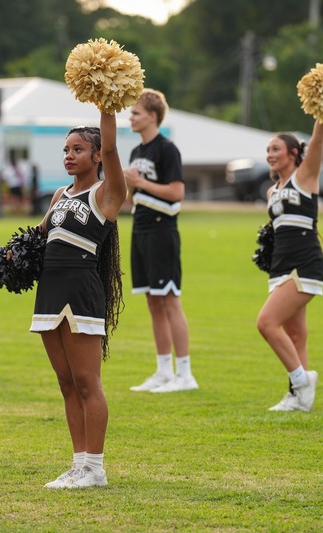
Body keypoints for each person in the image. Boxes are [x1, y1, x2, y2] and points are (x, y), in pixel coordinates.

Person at [31, 112, 126, 488]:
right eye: (66, 150)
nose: (69, 156)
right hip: (49, 292)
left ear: (97, 155)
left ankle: (95, 469)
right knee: (66, 383)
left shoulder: (106, 194)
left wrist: (107, 106)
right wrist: (13, 255)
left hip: (81, 291)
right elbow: (39, 236)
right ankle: (78, 465)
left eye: (78, 149)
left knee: (87, 382)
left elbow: (113, 147)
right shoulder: (59, 195)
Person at [125, 89, 197, 394]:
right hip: (140, 230)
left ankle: (185, 374)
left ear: (152, 116)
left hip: (162, 231)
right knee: (152, 301)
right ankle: (164, 370)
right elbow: (133, 198)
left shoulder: (167, 149)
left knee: (169, 299)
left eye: (136, 113)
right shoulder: (135, 152)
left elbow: (177, 193)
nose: (130, 117)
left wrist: (139, 182)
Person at [254, 119, 323, 412]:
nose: (270, 155)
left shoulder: (305, 176)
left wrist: (322, 116)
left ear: (293, 153)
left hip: (304, 263)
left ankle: (302, 381)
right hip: (281, 266)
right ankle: (299, 398)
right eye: (268, 150)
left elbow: (318, 140)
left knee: (266, 323)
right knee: (296, 334)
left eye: (276, 149)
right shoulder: (272, 191)